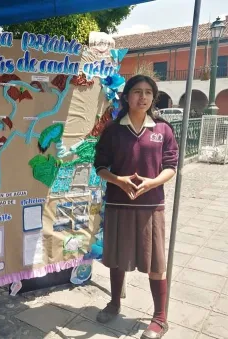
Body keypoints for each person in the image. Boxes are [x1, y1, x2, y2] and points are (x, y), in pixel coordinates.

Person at [94, 75, 179, 339]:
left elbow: (171, 166)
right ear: (126, 96)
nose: (142, 97)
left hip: (151, 206)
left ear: (154, 98)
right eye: (137, 91)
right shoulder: (112, 129)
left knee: (155, 262)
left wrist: (152, 183)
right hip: (118, 204)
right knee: (117, 258)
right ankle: (115, 303)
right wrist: (117, 180)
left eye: (148, 92)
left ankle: (160, 317)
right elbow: (100, 166)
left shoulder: (163, 129)